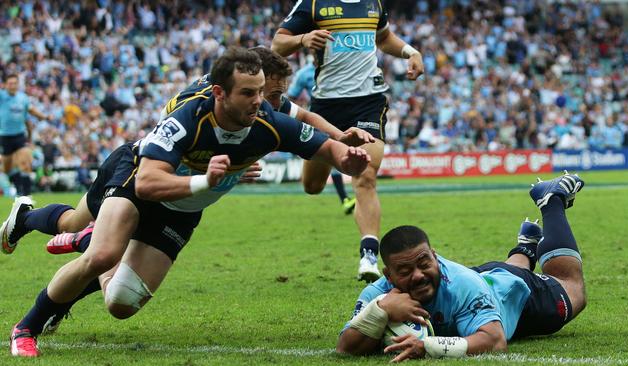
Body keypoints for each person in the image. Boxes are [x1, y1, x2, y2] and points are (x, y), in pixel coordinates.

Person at [7, 47, 371, 357]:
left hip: (183, 209)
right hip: (137, 179)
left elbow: (317, 139)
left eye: (266, 93)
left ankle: (82, 237)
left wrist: (346, 153)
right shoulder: (187, 116)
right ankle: (26, 328)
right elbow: (149, 182)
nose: (265, 102)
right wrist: (206, 179)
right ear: (220, 92)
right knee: (100, 253)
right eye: (253, 93)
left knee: (120, 303)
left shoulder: (265, 114)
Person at [336, 172, 586, 361]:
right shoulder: (377, 296)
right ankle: (525, 247)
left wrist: (428, 347)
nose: (419, 275)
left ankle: (551, 200)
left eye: (424, 263)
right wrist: (381, 310)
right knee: (495, 277)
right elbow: (345, 347)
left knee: (572, 288)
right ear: (388, 275)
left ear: (435, 257)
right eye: (404, 271)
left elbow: (495, 340)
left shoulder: (462, 284)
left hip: (514, 296)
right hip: (485, 280)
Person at [272, 0, 425, 282]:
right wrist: (304, 38)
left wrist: (410, 51)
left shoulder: (374, 3)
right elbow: (277, 44)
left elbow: (384, 38)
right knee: (312, 185)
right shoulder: (313, 4)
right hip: (326, 105)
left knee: (365, 175)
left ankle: (369, 254)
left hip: (368, 102)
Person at [249, 47, 370, 214]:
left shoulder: (275, 106)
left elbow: (305, 116)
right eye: (273, 96)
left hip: (324, 122)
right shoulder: (204, 106)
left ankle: (344, 199)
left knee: (314, 184)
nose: (277, 104)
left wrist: (341, 138)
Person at [286, 53, 356, 214]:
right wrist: (300, 112)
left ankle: (349, 197)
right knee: (330, 158)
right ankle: (345, 198)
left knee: (335, 156)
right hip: (318, 119)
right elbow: (291, 96)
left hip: (342, 116)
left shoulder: (339, 68)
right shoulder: (304, 73)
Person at [0, 74, 52, 199]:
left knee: (25, 163)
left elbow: (32, 111)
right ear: (5, 85)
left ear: (18, 84)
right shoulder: (2, 96)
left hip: (19, 136)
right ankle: (18, 188)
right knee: (7, 169)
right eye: (10, 83)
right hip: (5, 137)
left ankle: (26, 195)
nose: (12, 86)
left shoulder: (23, 98)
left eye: (14, 83)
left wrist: (44, 117)